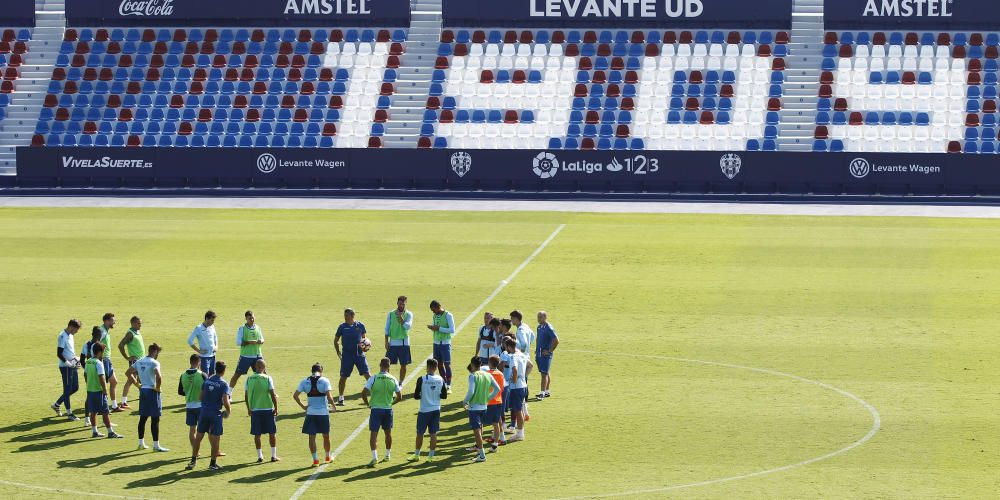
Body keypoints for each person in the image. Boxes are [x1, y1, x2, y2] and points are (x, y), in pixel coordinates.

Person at [187, 361, 231, 471]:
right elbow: (225, 400)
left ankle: (193, 461)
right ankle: (212, 464)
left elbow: (201, 397)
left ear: (216, 369)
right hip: (215, 413)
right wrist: (228, 411)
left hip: (204, 412)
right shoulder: (223, 384)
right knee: (216, 438)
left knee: (199, 437)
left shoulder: (207, 381)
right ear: (224, 371)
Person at [293, 363, 337, 467]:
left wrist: (303, 406)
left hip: (311, 413)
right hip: (323, 413)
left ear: (311, 371)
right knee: (326, 436)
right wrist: (334, 406)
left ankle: (315, 460)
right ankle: (327, 457)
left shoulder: (304, 381)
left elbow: (295, 396)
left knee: (311, 437)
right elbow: (329, 397)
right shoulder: (324, 380)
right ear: (321, 371)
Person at [126, 343, 168, 452]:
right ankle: (156, 445)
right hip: (152, 391)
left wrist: (137, 385)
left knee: (143, 418)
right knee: (155, 419)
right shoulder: (154, 362)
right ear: (154, 351)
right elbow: (158, 377)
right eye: (157, 352)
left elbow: (128, 373)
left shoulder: (139, 361)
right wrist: (158, 388)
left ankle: (141, 443)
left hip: (143, 390)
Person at [362, 357, 402, 467]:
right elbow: (399, 397)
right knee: (388, 433)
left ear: (380, 365)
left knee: (374, 434)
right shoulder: (393, 379)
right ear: (389, 367)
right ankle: (387, 455)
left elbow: (363, 393)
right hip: (388, 410)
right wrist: (391, 403)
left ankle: (375, 458)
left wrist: (367, 404)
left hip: (375, 410)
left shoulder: (373, 378)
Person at [408, 358, 447, 462]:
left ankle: (416, 455)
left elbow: (416, 396)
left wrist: (425, 395)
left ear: (428, 367)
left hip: (424, 410)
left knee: (420, 433)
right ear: (436, 367)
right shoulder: (440, 379)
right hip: (436, 409)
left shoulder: (422, 379)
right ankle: (430, 457)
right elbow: (444, 396)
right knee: (433, 434)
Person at [462, 357, 501, 463]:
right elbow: (497, 389)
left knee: (477, 431)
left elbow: (471, 391)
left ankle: (482, 455)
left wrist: (465, 401)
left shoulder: (473, 376)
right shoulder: (488, 375)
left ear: (472, 365)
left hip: (474, 407)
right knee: (480, 428)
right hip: (484, 407)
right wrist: (487, 398)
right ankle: (479, 450)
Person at [83, 343, 123, 439]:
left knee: (93, 412)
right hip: (98, 391)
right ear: (100, 352)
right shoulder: (99, 363)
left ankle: (95, 431)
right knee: (105, 412)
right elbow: (101, 378)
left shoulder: (88, 362)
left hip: (90, 390)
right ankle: (110, 432)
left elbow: (85, 375)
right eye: (103, 352)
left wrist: (89, 383)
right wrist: (105, 390)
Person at [334, 308, 370, 406]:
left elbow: (364, 340)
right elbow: (336, 340)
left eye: (347, 315)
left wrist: (365, 348)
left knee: (367, 375)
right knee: (343, 377)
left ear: (352, 316)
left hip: (360, 356)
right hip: (347, 356)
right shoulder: (342, 327)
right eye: (344, 315)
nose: (345, 317)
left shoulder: (360, 325)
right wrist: (338, 352)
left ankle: (375, 395)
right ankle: (341, 398)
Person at [246, 359, 279, 463]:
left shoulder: (249, 379)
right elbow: (272, 394)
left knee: (257, 434)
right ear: (264, 368)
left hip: (255, 410)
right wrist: (276, 407)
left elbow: (246, 396)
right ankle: (273, 456)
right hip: (268, 409)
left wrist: (249, 409)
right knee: (272, 433)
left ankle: (260, 456)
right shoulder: (268, 378)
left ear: (255, 367)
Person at [52, 319, 82, 421]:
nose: (77, 332)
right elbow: (59, 353)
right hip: (66, 367)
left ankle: (56, 404)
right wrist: (69, 364)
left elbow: (69, 351)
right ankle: (69, 414)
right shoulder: (62, 336)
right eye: (76, 329)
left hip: (72, 365)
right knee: (67, 389)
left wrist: (76, 359)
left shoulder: (71, 335)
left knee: (75, 387)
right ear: (71, 327)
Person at [503, 338, 531, 442]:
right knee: (520, 410)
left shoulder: (513, 357)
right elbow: (530, 366)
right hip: (523, 386)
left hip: (516, 387)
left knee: (518, 411)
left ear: (509, 347)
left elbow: (514, 369)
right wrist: (523, 376)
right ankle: (520, 432)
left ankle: (520, 434)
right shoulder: (522, 355)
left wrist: (514, 381)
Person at [178, 354, 207, 450]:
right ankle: (216, 450)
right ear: (199, 362)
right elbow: (207, 390)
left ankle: (195, 451)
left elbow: (180, 392)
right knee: (209, 430)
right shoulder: (202, 375)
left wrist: (189, 390)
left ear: (190, 362)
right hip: (201, 406)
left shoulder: (183, 375)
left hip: (189, 406)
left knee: (192, 430)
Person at [116, 316, 145, 409]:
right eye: (138, 323)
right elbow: (120, 345)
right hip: (135, 360)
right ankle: (125, 401)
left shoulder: (137, 332)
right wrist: (127, 358)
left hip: (141, 360)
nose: (140, 325)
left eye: (140, 323)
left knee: (136, 379)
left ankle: (127, 400)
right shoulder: (130, 333)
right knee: (133, 379)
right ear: (132, 323)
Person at [231, 310, 264, 390]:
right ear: (246, 318)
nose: (252, 320)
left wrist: (261, 341)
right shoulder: (242, 328)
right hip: (246, 356)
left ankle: (269, 392)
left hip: (257, 355)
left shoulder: (258, 328)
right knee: (237, 375)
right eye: (250, 318)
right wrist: (248, 342)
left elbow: (262, 339)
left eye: (253, 318)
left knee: (263, 375)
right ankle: (229, 393)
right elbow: (238, 342)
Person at [384, 295, 413, 384]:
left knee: (403, 364)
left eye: (403, 304)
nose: (401, 306)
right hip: (393, 343)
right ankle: (387, 381)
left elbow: (407, 326)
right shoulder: (391, 314)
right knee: (387, 363)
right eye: (400, 304)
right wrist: (386, 341)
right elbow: (387, 328)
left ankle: (400, 382)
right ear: (397, 303)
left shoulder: (409, 314)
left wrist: (401, 317)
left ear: (405, 304)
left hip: (404, 343)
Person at [98, 313, 122, 412]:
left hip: (107, 359)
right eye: (112, 320)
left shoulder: (105, 330)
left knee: (114, 382)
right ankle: (101, 407)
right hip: (103, 360)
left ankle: (114, 406)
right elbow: (95, 344)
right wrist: (99, 359)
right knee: (102, 384)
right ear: (106, 321)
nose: (114, 322)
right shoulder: (102, 331)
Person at [484, 355, 507, 450]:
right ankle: (496, 443)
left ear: (489, 363)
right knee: (496, 423)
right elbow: (501, 389)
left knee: (480, 423)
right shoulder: (501, 374)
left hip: (489, 402)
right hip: (498, 401)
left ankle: (478, 445)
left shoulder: (487, 374)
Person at [535, 311, 559, 399]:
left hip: (545, 355)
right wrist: (537, 349)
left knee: (544, 374)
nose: (538, 319)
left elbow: (556, 340)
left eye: (540, 317)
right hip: (539, 353)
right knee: (545, 372)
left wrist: (549, 351)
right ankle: (547, 391)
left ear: (545, 317)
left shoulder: (549, 328)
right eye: (538, 317)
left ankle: (542, 393)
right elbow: (538, 338)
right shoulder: (539, 327)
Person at [188, 311, 218, 377]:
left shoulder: (212, 326)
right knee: (205, 377)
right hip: (204, 358)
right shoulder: (198, 328)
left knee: (212, 376)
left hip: (213, 356)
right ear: (207, 318)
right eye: (212, 320)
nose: (213, 322)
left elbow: (215, 337)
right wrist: (199, 351)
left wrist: (216, 346)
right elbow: (189, 341)